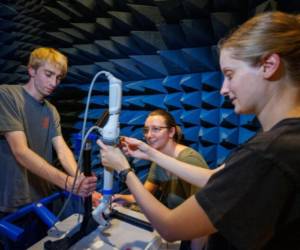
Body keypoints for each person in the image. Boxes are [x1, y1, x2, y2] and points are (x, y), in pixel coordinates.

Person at [98, 11, 300, 250]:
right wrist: (148, 152)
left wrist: (123, 171)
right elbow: (214, 179)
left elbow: (171, 227)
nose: (223, 89)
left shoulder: (269, 152)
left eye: (229, 74)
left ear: (268, 65)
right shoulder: (283, 142)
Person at [0, 47, 97, 218]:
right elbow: (20, 152)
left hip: (43, 198)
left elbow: (62, 150)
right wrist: (67, 183)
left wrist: (79, 179)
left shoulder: (51, 111)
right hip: (13, 202)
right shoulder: (7, 95)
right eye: (48, 74)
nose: (54, 83)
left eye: (58, 78)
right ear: (32, 70)